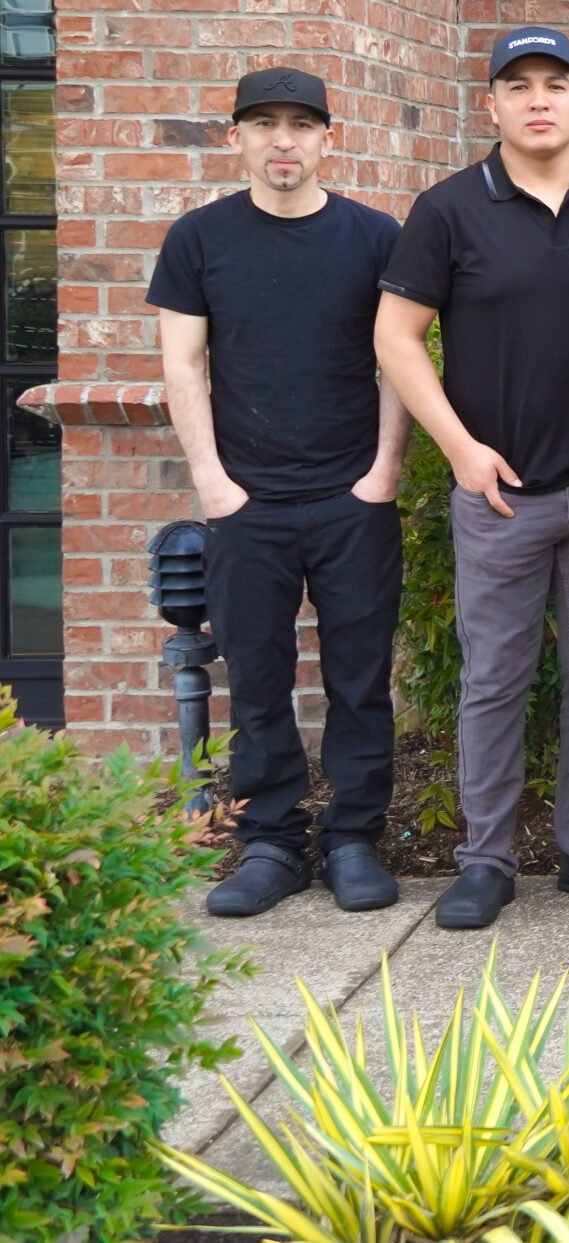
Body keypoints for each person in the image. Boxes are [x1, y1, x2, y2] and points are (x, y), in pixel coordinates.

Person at [377, 28, 569, 932]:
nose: (539, 99)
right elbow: (394, 337)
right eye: (519, 85)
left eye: (557, 83)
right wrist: (459, 447)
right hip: (497, 493)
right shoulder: (449, 209)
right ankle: (485, 859)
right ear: (491, 105)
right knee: (494, 679)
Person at [151, 66, 409, 918]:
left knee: (359, 676)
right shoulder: (199, 239)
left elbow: (399, 361)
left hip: (351, 496)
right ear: (237, 139)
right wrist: (212, 482)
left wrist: (384, 472)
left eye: (302, 123)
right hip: (245, 502)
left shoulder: (375, 237)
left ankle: (353, 838)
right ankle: (271, 840)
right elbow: (184, 364)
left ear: (329, 137)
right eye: (264, 124)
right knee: (257, 673)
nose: (284, 139)